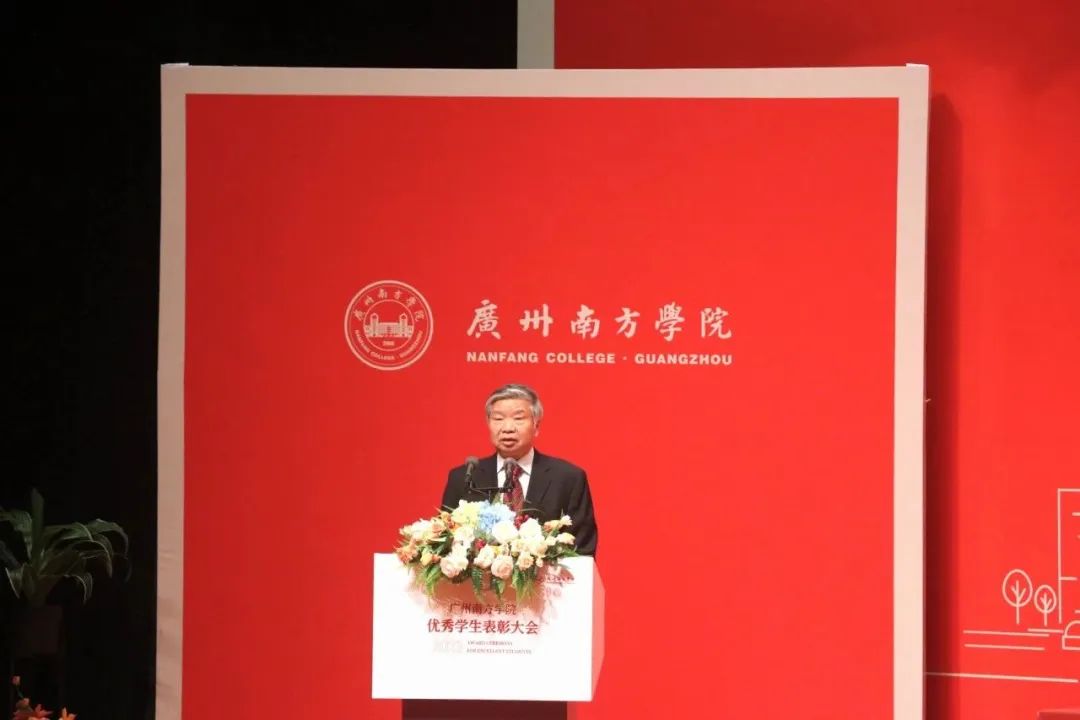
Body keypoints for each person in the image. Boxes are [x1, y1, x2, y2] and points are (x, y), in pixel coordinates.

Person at [441, 383, 598, 556]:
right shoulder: (465, 477)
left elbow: (582, 549)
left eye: (518, 418)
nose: (508, 428)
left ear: (536, 425)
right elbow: (446, 542)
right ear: (488, 423)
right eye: (498, 419)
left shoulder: (568, 479)